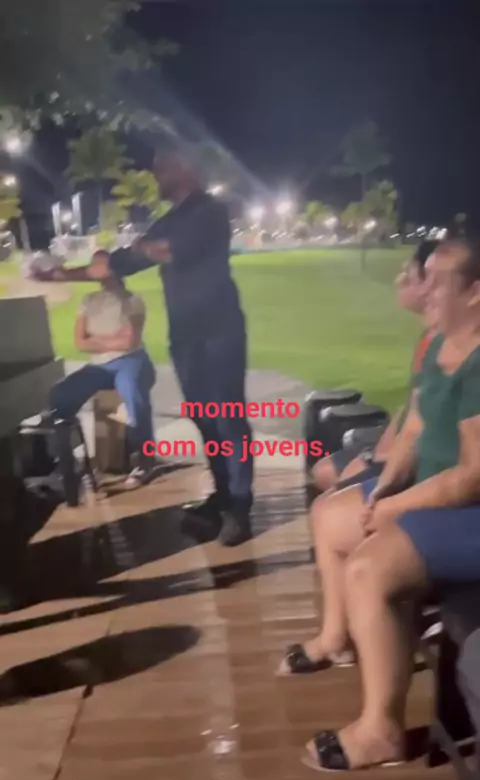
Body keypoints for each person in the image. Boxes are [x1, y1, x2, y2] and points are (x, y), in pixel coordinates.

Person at [299, 237, 480, 772]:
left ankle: (382, 731)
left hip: (470, 512)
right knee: (334, 517)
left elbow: (472, 477)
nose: (424, 290)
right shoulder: (442, 343)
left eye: (438, 281)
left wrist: (398, 509)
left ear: (475, 292)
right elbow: (415, 429)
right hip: (437, 498)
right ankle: (340, 641)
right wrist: (386, 488)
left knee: (368, 569)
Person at [37, 151, 252, 546]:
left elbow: (166, 250)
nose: (155, 174)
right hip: (186, 336)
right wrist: (59, 274)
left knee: (228, 419)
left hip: (219, 333)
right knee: (205, 418)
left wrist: (137, 250)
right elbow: (116, 265)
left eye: (163, 167)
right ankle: (222, 496)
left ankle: (239, 508)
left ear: (187, 168)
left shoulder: (209, 211)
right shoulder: (171, 218)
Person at [280, 240, 440, 675]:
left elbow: (445, 447)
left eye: (412, 275)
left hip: (438, 487)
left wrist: (388, 486)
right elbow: (413, 418)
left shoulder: (458, 348)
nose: (399, 280)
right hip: (417, 472)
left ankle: (345, 637)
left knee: (331, 514)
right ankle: (342, 635)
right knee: (329, 495)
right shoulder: (435, 341)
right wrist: (377, 462)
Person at [313, 241, 440, 494]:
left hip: (419, 460)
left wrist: (378, 459)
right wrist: (378, 453)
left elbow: (422, 425)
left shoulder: (445, 345)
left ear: (428, 284)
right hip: (402, 446)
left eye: (407, 274)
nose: (398, 280)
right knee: (326, 474)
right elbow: (409, 409)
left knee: (331, 493)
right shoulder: (428, 338)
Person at [48, 251, 156, 488]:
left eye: (100, 265)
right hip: (98, 366)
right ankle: (64, 462)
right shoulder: (88, 300)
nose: (95, 270)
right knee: (60, 395)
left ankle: (145, 460)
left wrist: (96, 340)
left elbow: (129, 342)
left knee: (132, 392)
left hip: (131, 360)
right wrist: (112, 339)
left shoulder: (131, 299)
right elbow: (80, 342)